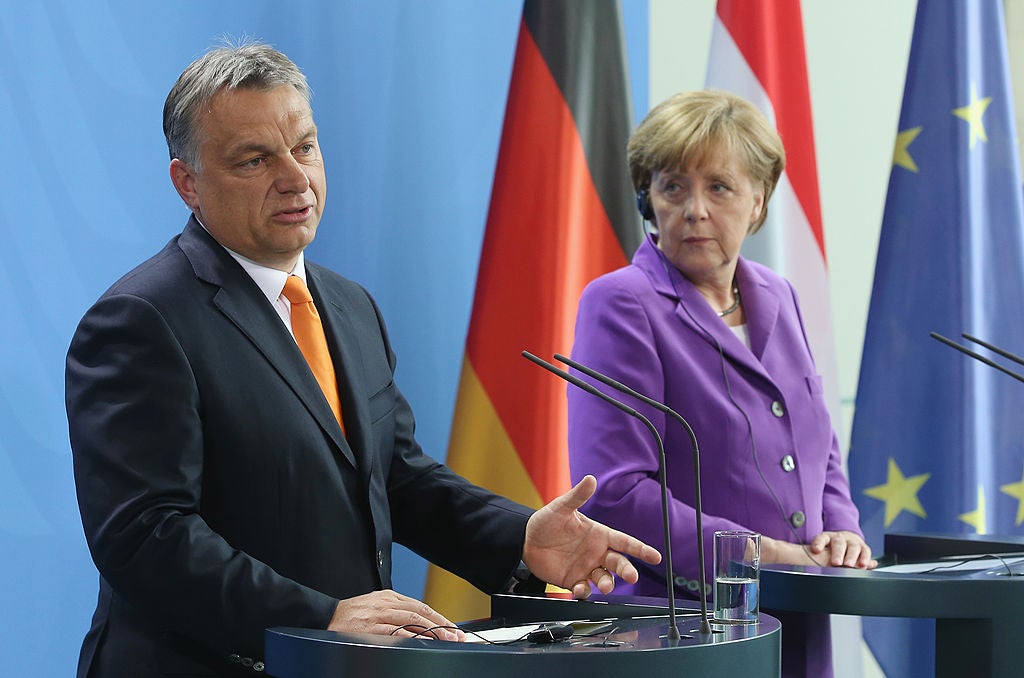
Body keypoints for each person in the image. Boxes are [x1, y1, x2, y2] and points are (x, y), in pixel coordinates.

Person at [65, 41, 661, 677]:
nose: (295, 178)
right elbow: (146, 538)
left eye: (305, 147)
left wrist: (518, 537)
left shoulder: (349, 306)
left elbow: (396, 480)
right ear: (188, 182)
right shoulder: (141, 320)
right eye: (254, 160)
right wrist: (319, 616)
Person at [567, 90, 876, 678]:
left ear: (758, 202)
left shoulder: (778, 296)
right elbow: (615, 492)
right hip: (684, 631)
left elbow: (817, 447)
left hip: (801, 615)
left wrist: (841, 531)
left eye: (720, 188)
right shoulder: (621, 303)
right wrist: (755, 556)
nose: (694, 210)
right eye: (673, 186)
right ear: (647, 199)